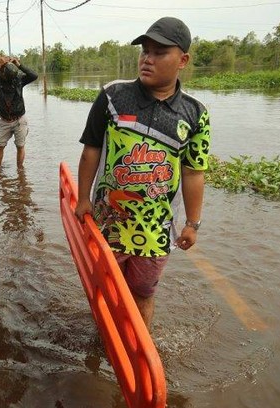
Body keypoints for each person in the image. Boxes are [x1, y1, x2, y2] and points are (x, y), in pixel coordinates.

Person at [74, 17, 211, 330]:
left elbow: (193, 172)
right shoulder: (113, 96)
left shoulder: (194, 114)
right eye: (144, 51)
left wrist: (192, 223)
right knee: (105, 290)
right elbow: (91, 149)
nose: (147, 58)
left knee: (144, 294)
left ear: (183, 61)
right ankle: (103, 341)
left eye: (159, 52)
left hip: (156, 231)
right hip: (109, 222)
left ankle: (140, 346)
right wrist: (83, 199)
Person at [0, 56, 38, 169]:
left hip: (19, 119)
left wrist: (19, 65)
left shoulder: (18, 79)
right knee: (0, 146)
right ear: (2, 73)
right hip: (4, 120)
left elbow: (34, 75)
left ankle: (20, 170)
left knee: (20, 146)